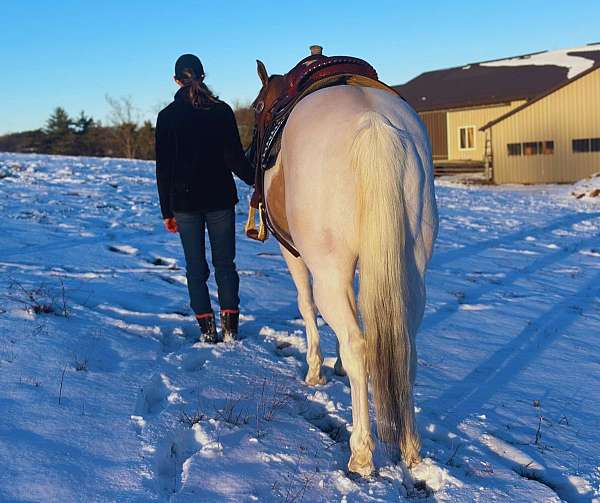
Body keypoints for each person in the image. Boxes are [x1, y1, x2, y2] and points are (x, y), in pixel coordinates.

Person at [155, 54, 254, 343]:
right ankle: (231, 330)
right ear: (203, 77)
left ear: (175, 80)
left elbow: (164, 170)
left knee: (195, 268)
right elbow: (234, 158)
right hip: (220, 198)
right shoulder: (222, 111)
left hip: (184, 204)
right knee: (226, 264)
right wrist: (257, 182)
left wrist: (166, 211)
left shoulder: (167, 117)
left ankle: (208, 331)